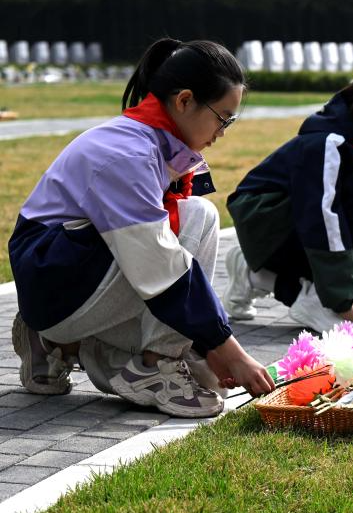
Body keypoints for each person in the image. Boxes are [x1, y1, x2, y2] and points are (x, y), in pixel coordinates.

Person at [10, 38, 274, 417]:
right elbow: (161, 268)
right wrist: (228, 349)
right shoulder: (127, 155)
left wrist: (208, 347)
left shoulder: (150, 140)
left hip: (67, 276)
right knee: (198, 216)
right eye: (224, 118)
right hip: (54, 281)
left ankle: (58, 345)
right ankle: (155, 368)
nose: (223, 132)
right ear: (184, 101)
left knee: (205, 375)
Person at [224, 45, 353, 331]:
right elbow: (322, 220)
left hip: (293, 220)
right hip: (261, 217)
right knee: (341, 301)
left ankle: (256, 272)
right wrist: (341, 302)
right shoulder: (328, 144)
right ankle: (280, 283)